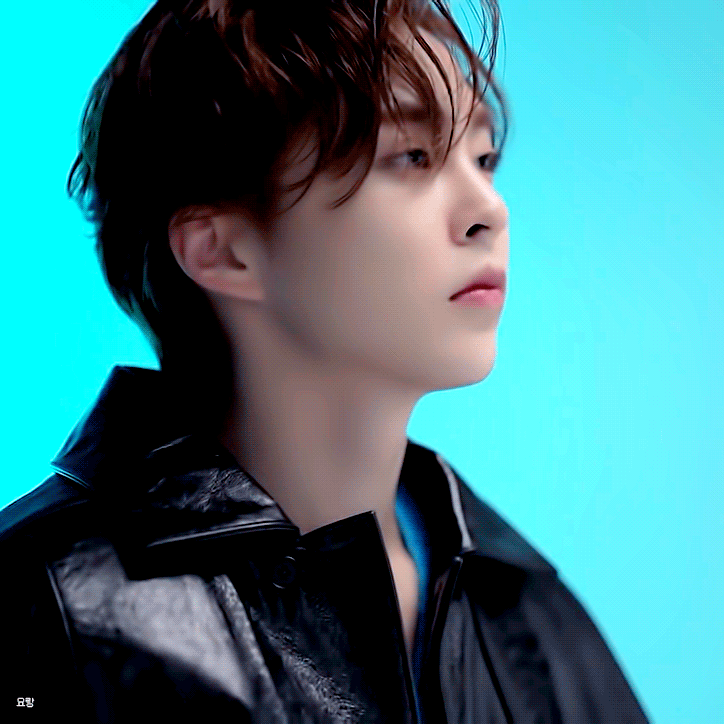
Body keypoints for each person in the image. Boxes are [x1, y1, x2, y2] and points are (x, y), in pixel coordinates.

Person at [0, 0, 650, 722]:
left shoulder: (525, 610)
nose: (488, 210)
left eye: (484, 158)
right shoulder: (44, 602)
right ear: (223, 250)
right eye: (412, 156)